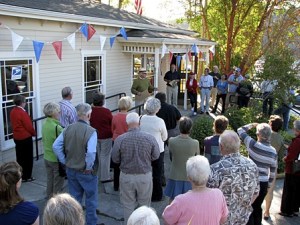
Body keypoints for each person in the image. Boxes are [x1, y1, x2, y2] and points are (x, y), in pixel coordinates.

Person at [53, 103, 102, 225]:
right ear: (89, 115)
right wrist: (89, 167)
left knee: (75, 200)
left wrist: (65, 161)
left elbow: (56, 146)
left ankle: (75, 222)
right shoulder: (91, 131)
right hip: (86, 172)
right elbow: (91, 153)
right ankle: (91, 223)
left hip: (71, 170)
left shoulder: (68, 128)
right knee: (91, 200)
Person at [112, 112, 160, 224]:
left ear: (127, 123)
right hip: (144, 175)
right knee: (144, 207)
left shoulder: (120, 139)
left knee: (128, 205)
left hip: (126, 176)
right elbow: (156, 155)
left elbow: (115, 158)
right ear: (139, 122)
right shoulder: (150, 138)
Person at [207, 130, 260, 225]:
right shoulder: (252, 165)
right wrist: (241, 207)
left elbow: (207, 198)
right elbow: (256, 192)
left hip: (221, 221)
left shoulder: (215, 169)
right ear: (239, 146)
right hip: (244, 220)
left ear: (221, 147)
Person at [163, 155, 228, 225]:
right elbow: (223, 219)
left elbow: (167, 220)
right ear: (208, 175)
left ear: (188, 178)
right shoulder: (218, 194)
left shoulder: (180, 200)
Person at [237, 123, 277, 225]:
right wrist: (268, 186)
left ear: (258, 134)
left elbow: (240, 130)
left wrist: (252, 125)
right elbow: (272, 171)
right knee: (258, 207)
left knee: (248, 207)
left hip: (250, 181)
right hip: (263, 183)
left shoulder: (252, 144)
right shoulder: (273, 151)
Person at [164, 117, 199, 201]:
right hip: (189, 176)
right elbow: (197, 159)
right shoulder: (195, 143)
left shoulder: (171, 141)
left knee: (173, 200)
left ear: (179, 127)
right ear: (190, 128)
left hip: (175, 174)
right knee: (189, 202)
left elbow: (171, 156)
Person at [140, 97, 168, 202]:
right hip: (157, 150)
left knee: (144, 172)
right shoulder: (160, 121)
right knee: (157, 174)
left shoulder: (140, 118)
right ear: (157, 109)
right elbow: (165, 137)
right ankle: (157, 195)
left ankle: (144, 194)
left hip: (144, 149)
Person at [155, 92, 181, 186]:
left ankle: (162, 180)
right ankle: (176, 177)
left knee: (160, 157)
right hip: (171, 132)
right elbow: (179, 118)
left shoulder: (156, 109)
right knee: (174, 155)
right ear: (165, 98)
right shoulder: (172, 108)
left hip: (159, 134)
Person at [10, 95, 36, 182]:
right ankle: (27, 176)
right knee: (28, 158)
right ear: (22, 103)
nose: (25, 103)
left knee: (20, 157)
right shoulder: (22, 113)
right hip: (25, 138)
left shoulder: (13, 111)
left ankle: (20, 175)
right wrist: (33, 133)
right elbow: (28, 126)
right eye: (24, 102)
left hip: (17, 137)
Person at [264, 115, 285, 220]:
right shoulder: (281, 138)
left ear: (270, 124)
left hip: (262, 162)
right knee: (270, 190)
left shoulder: (266, 134)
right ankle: (267, 212)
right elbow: (281, 156)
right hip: (273, 165)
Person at [42, 102, 65, 199]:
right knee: (58, 182)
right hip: (55, 159)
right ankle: (56, 202)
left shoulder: (45, 123)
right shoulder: (57, 127)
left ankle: (49, 197)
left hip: (46, 157)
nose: (60, 113)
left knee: (50, 179)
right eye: (58, 112)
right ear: (53, 113)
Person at [90, 92, 113, 183]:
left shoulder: (91, 111)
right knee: (105, 156)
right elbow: (111, 122)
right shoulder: (106, 111)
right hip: (106, 136)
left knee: (100, 155)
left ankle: (102, 172)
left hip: (96, 136)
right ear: (102, 101)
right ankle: (105, 177)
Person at [111, 96, 133, 191]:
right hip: (127, 141)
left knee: (116, 164)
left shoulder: (115, 116)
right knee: (127, 163)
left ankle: (116, 185)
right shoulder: (131, 117)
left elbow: (112, 129)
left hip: (116, 140)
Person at [279, 120, 300, 217]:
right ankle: (295, 209)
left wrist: (285, 158)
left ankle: (287, 210)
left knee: (289, 190)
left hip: (293, 169)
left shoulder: (298, 141)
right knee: (297, 191)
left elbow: (291, 156)